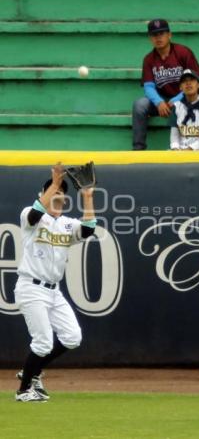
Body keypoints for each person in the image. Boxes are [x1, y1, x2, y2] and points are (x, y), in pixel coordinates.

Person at [14, 162, 96, 402]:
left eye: (62, 197)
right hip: (31, 288)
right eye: (54, 195)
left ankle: (33, 370)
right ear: (43, 196)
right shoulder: (30, 217)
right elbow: (35, 212)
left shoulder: (66, 224)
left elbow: (89, 229)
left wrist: (88, 196)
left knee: (72, 337)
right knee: (42, 342)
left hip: (53, 292)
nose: (58, 199)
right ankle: (23, 390)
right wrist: (56, 182)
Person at [132, 19, 199, 150]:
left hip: (185, 99)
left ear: (169, 35)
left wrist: (177, 100)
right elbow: (148, 86)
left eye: (162, 33)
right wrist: (159, 102)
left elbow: (196, 81)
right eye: (154, 35)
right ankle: (138, 150)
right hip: (163, 103)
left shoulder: (183, 52)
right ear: (150, 38)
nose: (158, 38)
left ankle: (188, 147)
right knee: (140, 104)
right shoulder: (149, 59)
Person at [170, 69, 199, 150]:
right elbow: (174, 134)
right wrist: (175, 148)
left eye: (192, 80)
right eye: (184, 81)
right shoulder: (177, 106)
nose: (188, 83)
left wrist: (190, 148)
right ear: (180, 87)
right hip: (180, 151)